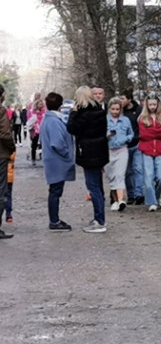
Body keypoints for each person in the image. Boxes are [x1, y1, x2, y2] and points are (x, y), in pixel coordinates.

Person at [66, 85, 109, 233]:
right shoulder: (99, 111)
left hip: (89, 152)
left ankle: (100, 221)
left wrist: (73, 112)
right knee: (97, 186)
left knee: (93, 187)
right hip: (100, 151)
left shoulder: (83, 114)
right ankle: (99, 217)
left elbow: (71, 128)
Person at [39, 91, 76, 231]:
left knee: (55, 190)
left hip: (53, 160)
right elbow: (57, 143)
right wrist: (67, 154)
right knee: (55, 191)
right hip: (57, 160)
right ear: (60, 105)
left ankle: (54, 219)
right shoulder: (54, 121)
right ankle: (54, 221)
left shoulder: (49, 119)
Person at [137, 95, 161, 210]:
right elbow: (144, 135)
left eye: (154, 105)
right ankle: (152, 202)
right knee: (148, 176)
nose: (152, 107)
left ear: (158, 105)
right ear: (146, 105)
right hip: (147, 150)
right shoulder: (142, 118)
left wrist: (152, 131)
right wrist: (157, 132)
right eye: (150, 105)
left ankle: (156, 197)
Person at [105, 97, 135, 211]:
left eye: (117, 109)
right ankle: (115, 200)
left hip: (122, 149)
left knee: (120, 175)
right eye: (113, 109)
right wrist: (107, 135)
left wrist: (126, 138)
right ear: (109, 109)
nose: (115, 111)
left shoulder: (126, 120)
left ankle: (122, 200)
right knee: (112, 176)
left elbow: (131, 133)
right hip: (108, 150)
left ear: (121, 109)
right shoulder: (104, 120)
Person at [120, 90, 143, 205]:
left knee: (138, 168)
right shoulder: (119, 111)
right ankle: (131, 194)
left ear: (129, 100)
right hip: (124, 145)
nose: (121, 101)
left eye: (123, 98)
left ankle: (139, 194)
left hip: (137, 143)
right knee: (128, 171)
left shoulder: (139, 110)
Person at [0, 85, 12, 239]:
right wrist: (12, 147)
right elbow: (5, 133)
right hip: (1, 154)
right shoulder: (1, 110)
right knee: (1, 190)